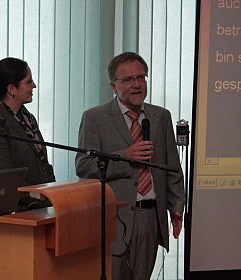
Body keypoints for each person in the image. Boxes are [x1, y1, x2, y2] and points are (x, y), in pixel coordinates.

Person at [75, 52, 185, 280]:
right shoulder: (95, 118)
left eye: (141, 78)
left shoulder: (160, 116)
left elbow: (172, 167)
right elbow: (84, 166)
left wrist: (176, 207)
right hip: (114, 218)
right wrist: (125, 157)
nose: (137, 85)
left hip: (151, 218)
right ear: (114, 86)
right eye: (128, 80)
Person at [0, 57, 55, 210]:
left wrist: (51, 194)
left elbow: (41, 163)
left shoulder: (28, 118)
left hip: (41, 207)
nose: (34, 86)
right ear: (11, 89)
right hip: (18, 213)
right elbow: (6, 180)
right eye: (28, 82)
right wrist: (40, 196)